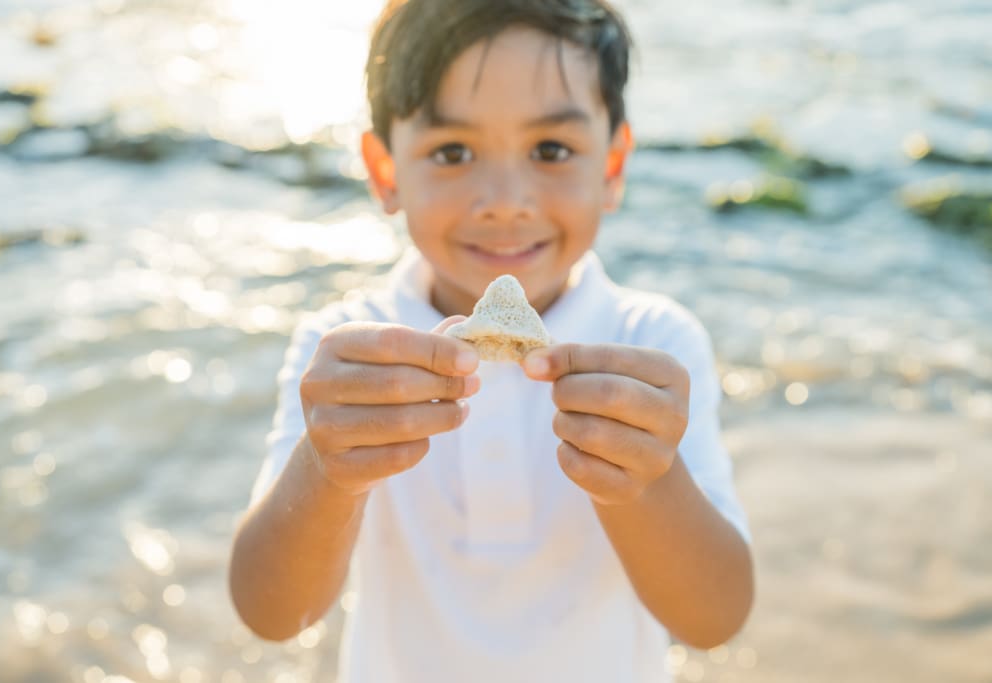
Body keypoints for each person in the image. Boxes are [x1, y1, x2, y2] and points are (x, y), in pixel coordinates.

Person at [229, 0, 754, 680]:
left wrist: (649, 484)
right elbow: (272, 614)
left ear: (613, 165)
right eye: (453, 152)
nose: (505, 200)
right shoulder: (346, 359)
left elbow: (714, 621)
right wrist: (325, 470)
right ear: (385, 171)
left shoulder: (652, 347)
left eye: (551, 150)